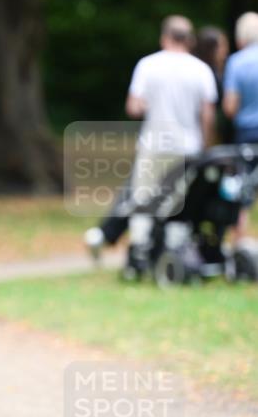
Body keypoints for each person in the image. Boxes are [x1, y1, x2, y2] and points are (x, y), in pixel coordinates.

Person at [84, 15, 218, 261]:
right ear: (189, 40)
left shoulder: (147, 65)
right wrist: (205, 144)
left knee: (143, 197)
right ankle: (173, 249)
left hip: (154, 144)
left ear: (165, 37)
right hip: (188, 147)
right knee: (179, 200)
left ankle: (140, 250)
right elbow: (207, 115)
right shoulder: (201, 69)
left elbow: (134, 107)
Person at [222, 11, 258, 240]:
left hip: (247, 133)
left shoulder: (236, 62)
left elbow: (230, 107)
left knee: (242, 187)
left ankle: (239, 240)